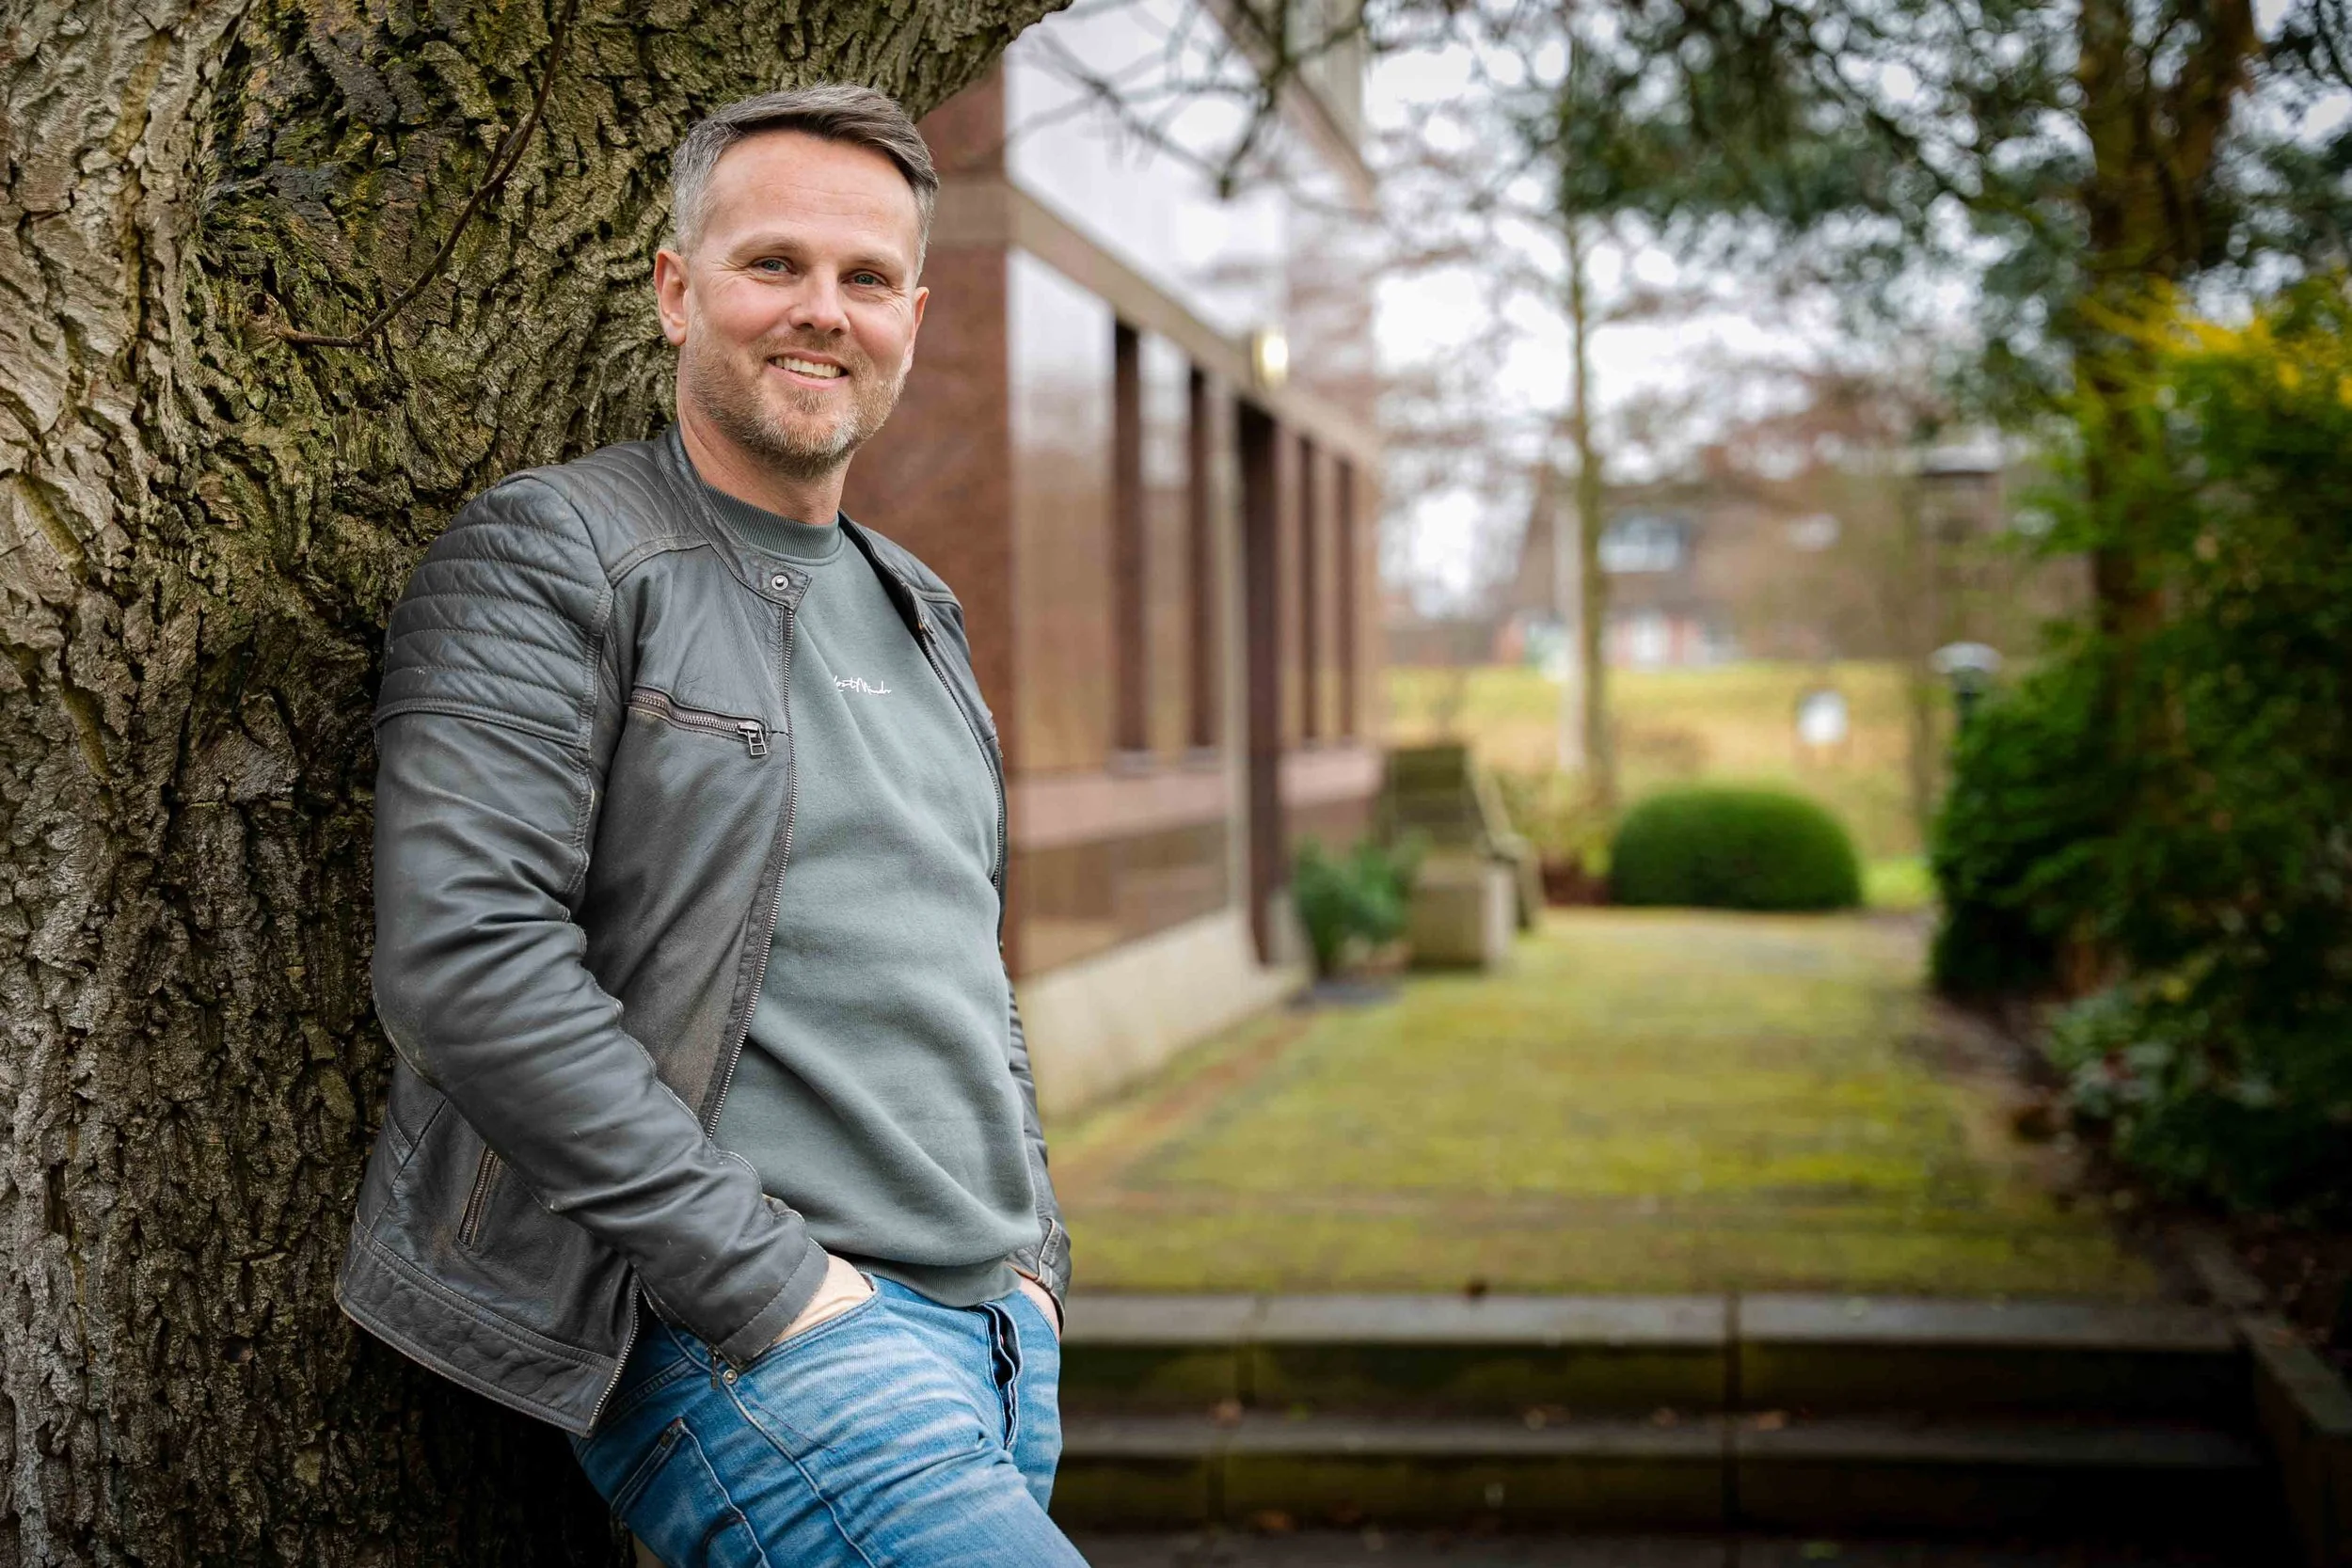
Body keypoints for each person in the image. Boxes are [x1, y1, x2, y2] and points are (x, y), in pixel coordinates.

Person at [336, 83, 1086, 1566]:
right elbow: (466, 958)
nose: (823, 310)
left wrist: (1040, 1262)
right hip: (763, 1341)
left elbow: (960, 952)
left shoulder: (918, 604)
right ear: (678, 292)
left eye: (866, 278)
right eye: (773, 265)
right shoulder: (559, 550)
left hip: (1000, 1343)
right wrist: (769, 1285)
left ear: (915, 317)